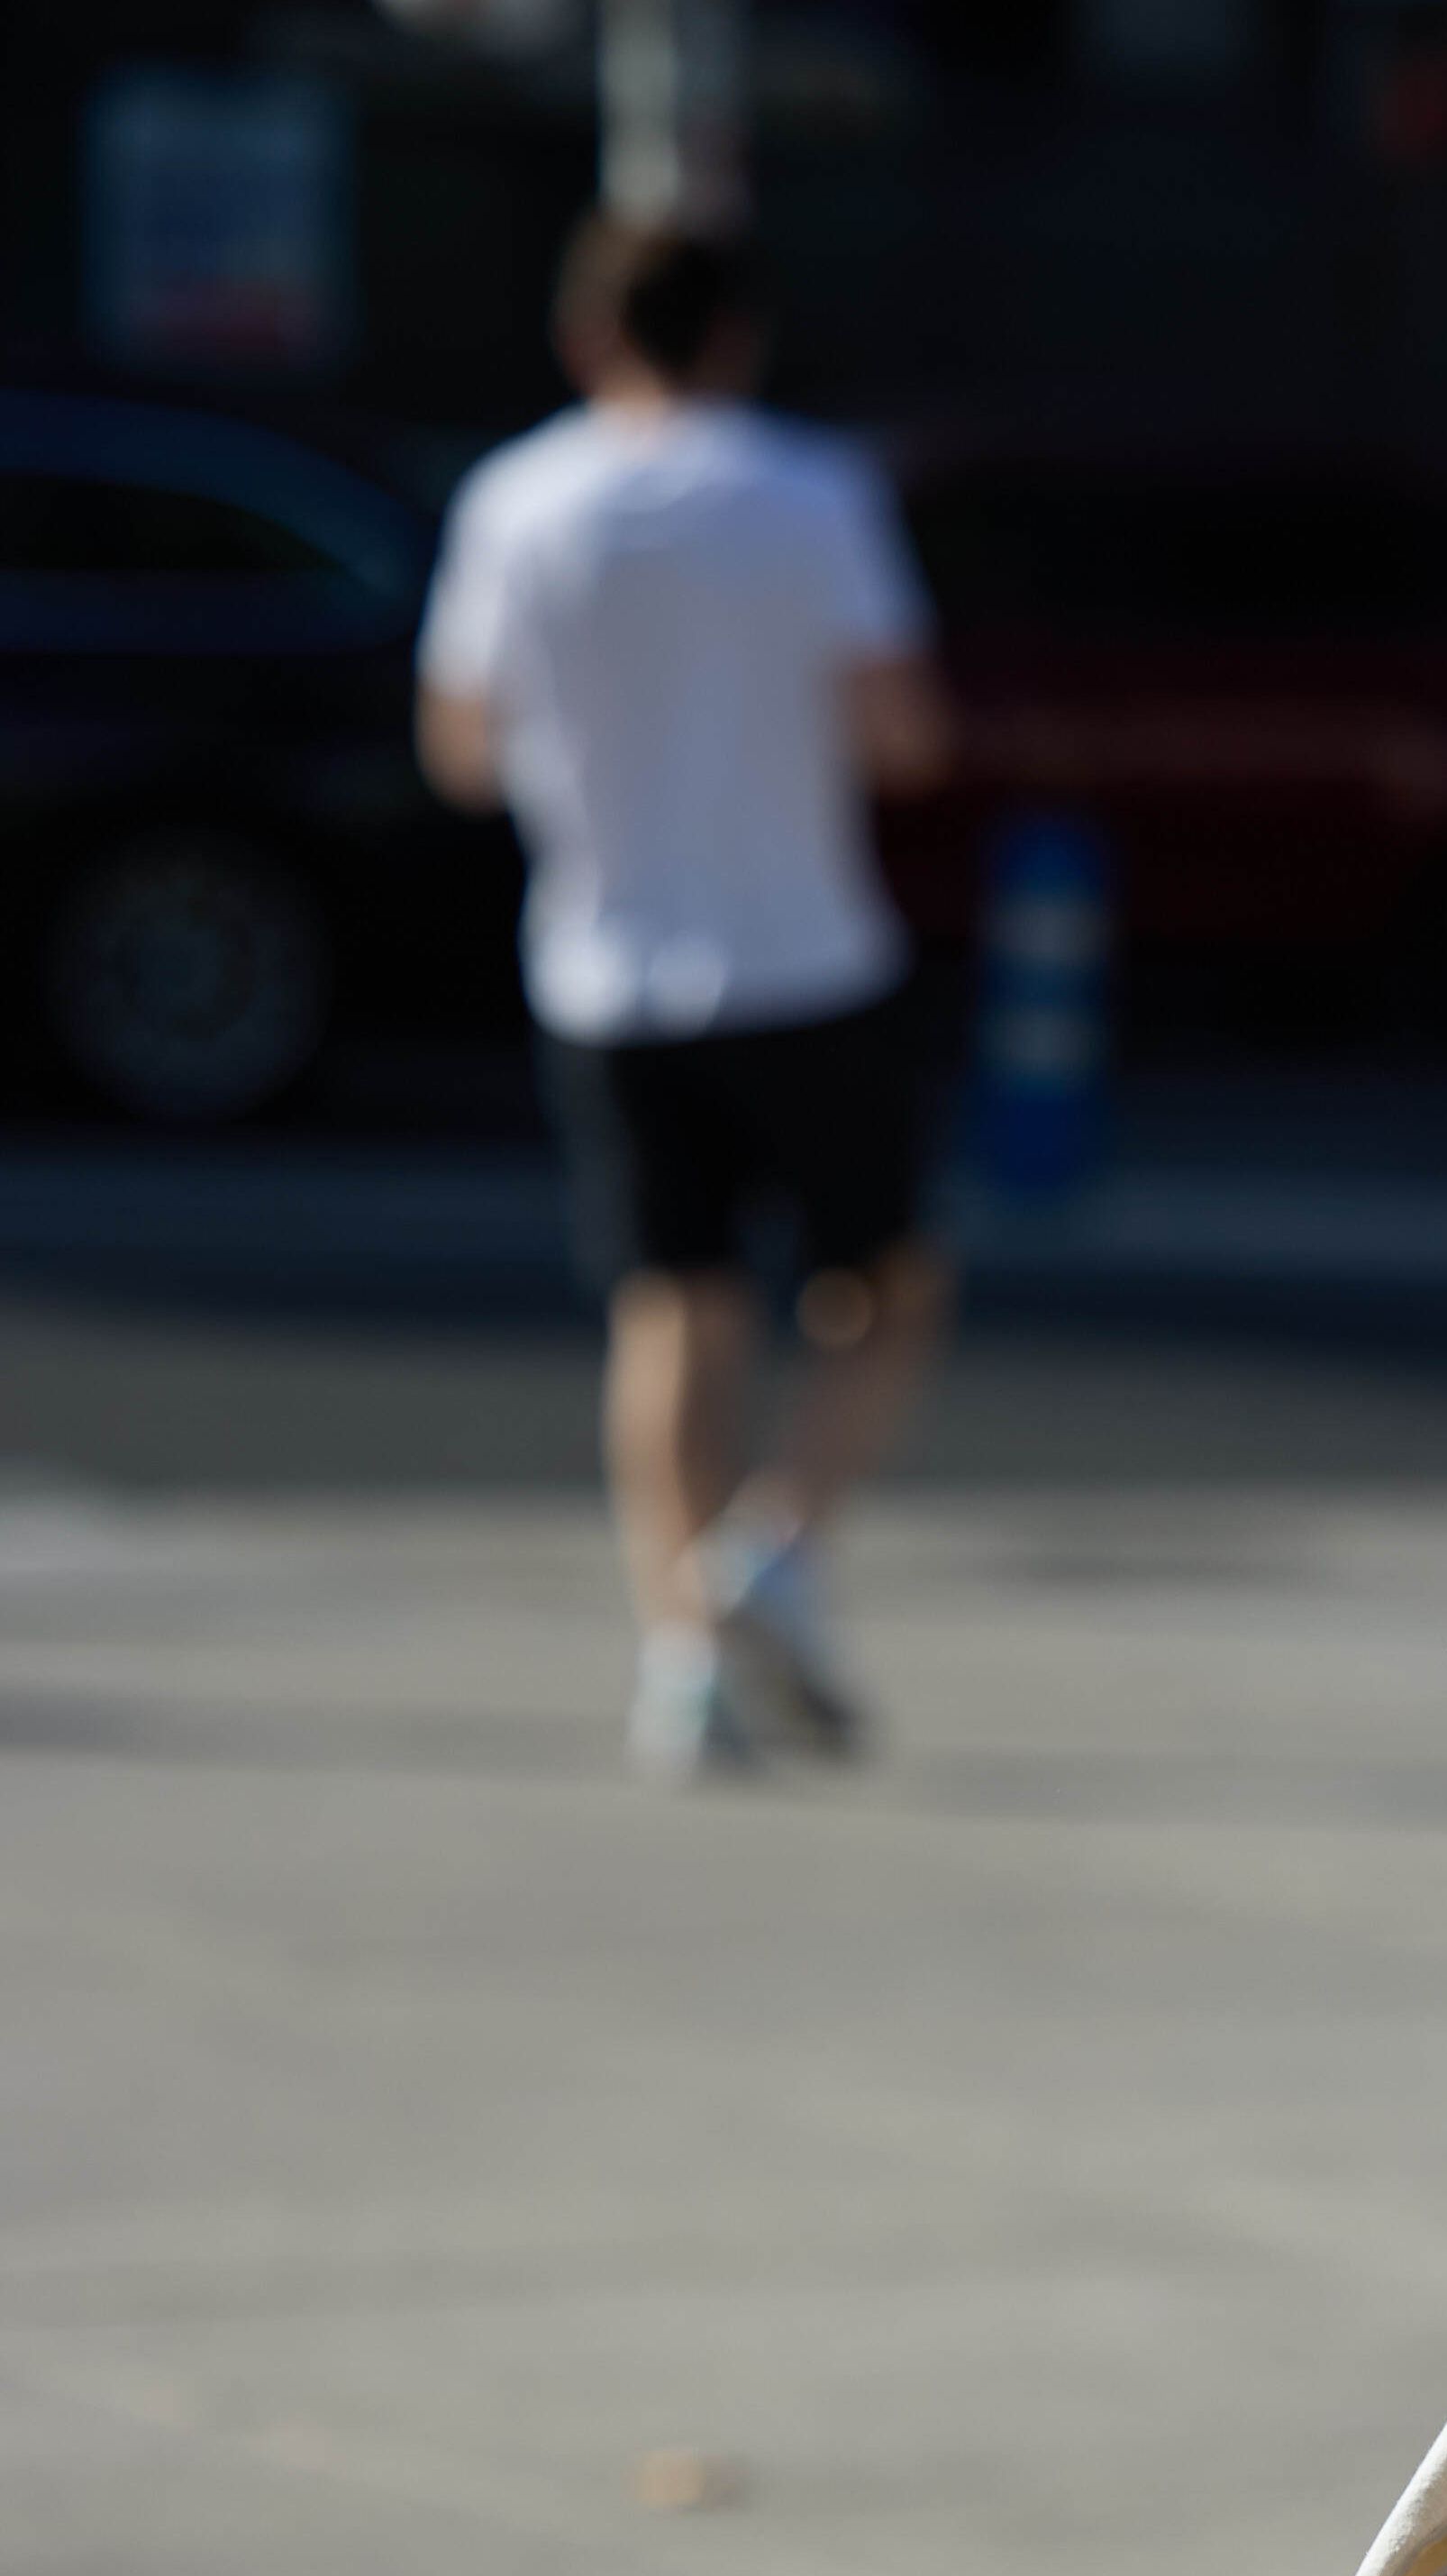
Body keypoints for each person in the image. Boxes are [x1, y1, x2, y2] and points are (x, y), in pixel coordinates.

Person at [417, 216, 957, 1781]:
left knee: (674, 1309)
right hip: (804, 952)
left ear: (587, 336)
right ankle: (774, 1549)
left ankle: (681, 1661)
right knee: (888, 1285)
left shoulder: (514, 500)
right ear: (736, 336)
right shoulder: (812, 493)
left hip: (601, 961)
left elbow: (460, 746)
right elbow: (902, 732)